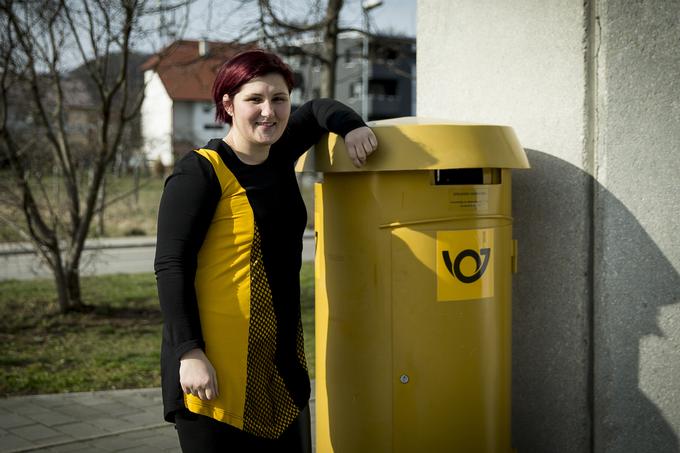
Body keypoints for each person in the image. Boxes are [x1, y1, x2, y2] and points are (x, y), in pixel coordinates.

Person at [154, 49, 377, 452]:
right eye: (254, 99)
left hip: (280, 368)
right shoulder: (199, 172)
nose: (268, 112)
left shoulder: (279, 153)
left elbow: (318, 109)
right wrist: (189, 352)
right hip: (212, 373)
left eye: (278, 99)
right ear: (228, 104)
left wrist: (353, 127)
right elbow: (171, 266)